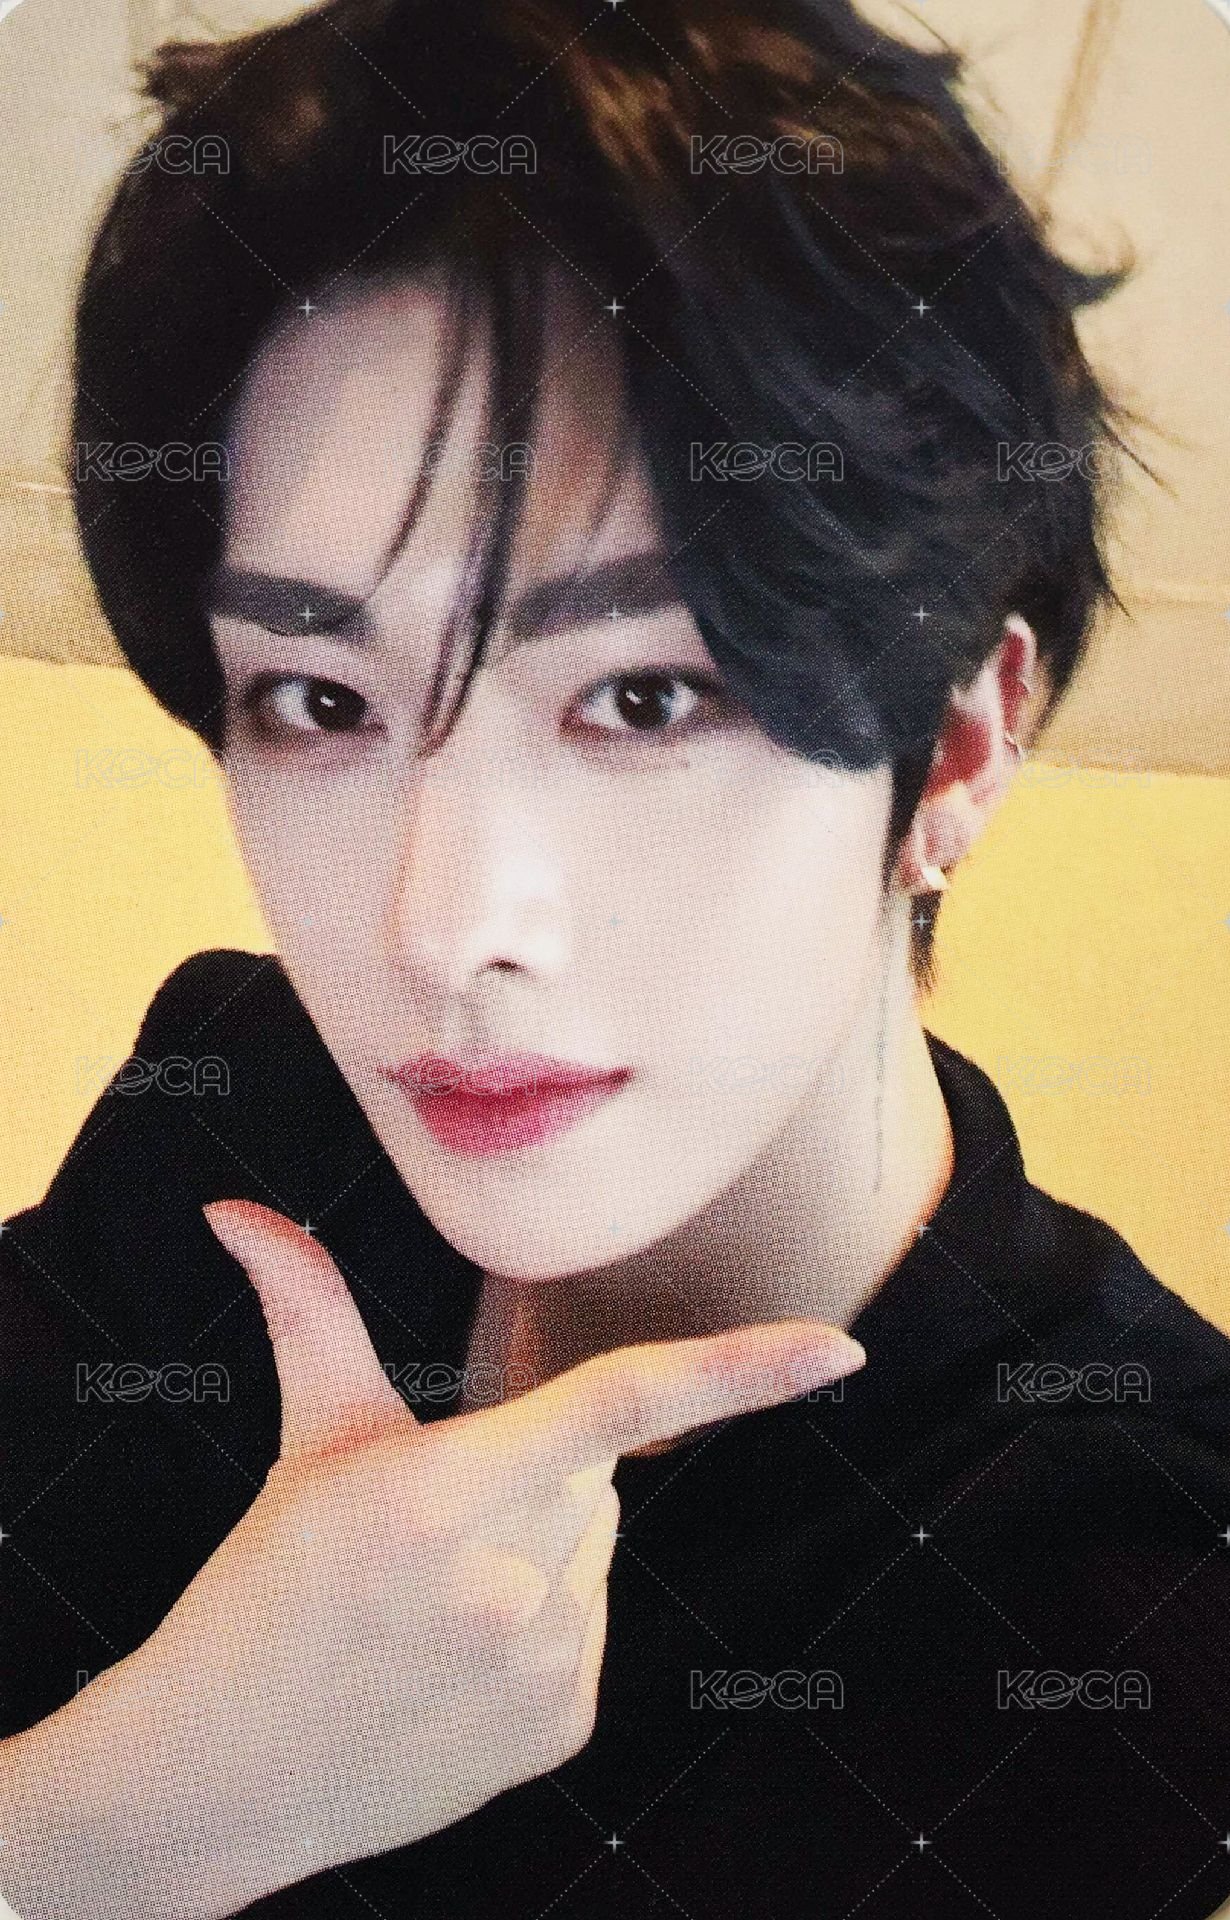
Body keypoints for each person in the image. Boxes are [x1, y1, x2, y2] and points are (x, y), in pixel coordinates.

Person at [2, 0, 1230, 1914]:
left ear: (955, 749)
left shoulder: (1137, 1591)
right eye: (318, 696)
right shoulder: (227, 1109)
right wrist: (121, 1819)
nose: (441, 929)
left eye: (646, 695)